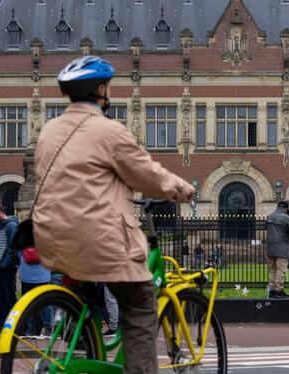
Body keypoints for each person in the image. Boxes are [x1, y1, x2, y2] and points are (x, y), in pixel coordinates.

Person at [34, 55, 195, 374]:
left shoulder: (49, 130)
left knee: (85, 291)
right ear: (100, 90)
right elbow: (146, 172)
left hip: (52, 241)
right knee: (140, 308)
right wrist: (181, 189)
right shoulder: (108, 131)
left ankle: (83, 338)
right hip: (98, 241)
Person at [0, 203, 19, 335]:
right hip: (1, 267)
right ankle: (4, 326)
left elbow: (12, 248)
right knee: (2, 298)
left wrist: (4, 264)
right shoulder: (2, 226)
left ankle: (14, 327)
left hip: (7, 268)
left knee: (9, 297)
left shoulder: (11, 226)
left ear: (0, 212)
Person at [266, 201, 289, 298]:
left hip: (270, 247)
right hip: (282, 248)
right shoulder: (286, 218)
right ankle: (279, 291)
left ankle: (272, 290)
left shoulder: (270, 216)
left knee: (273, 269)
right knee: (281, 270)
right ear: (285, 208)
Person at [18, 247, 52, 337]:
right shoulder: (45, 237)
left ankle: (30, 330)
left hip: (26, 274)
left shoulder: (23, 238)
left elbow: (18, 253)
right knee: (45, 303)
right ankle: (48, 329)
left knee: (27, 303)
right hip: (43, 274)